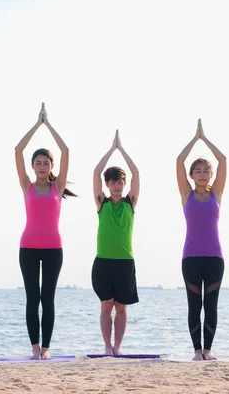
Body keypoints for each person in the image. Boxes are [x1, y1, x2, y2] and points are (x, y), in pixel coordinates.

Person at [15, 103, 76, 360]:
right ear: (32, 166)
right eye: (38, 163)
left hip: (53, 249)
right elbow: (18, 150)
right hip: (28, 247)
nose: (42, 166)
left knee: (47, 298)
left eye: (46, 163)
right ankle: (34, 347)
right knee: (32, 298)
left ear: (52, 166)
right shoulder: (26, 185)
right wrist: (36, 125)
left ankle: (47, 348)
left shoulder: (57, 187)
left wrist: (49, 126)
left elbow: (65, 150)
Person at [176, 118, 227, 361]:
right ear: (191, 175)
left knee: (212, 306)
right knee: (194, 305)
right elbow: (178, 161)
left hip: (215, 258)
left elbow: (224, 160)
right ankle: (197, 351)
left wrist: (205, 139)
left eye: (206, 170)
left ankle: (209, 350)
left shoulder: (216, 193)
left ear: (211, 174)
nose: (203, 174)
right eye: (198, 171)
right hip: (191, 258)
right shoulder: (187, 194)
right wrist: (194, 139)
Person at [92, 130, 140, 355]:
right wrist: (111, 150)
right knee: (106, 306)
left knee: (121, 308)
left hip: (125, 262)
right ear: (107, 185)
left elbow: (137, 173)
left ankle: (118, 347)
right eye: (113, 182)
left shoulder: (130, 203)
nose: (117, 186)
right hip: (103, 261)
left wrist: (122, 150)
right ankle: (107, 347)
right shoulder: (103, 203)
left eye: (120, 182)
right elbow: (95, 172)